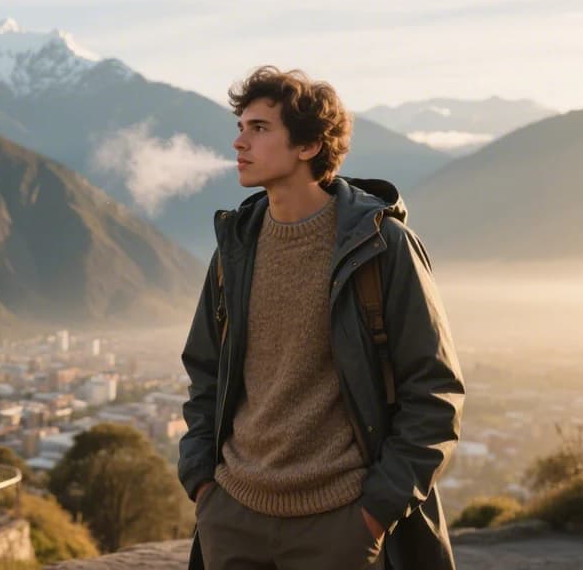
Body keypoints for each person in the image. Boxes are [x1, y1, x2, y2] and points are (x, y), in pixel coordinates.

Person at [178, 66, 465, 569]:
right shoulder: (235, 249)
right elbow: (205, 371)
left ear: (309, 146)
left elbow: (435, 391)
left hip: (340, 524)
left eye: (259, 128)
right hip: (233, 516)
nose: (239, 142)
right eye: (241, 127)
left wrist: (376, 512)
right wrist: (203, 485)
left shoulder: (382, 247)